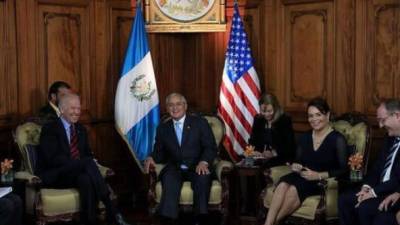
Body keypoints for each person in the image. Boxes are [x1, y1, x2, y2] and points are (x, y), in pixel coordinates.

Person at [38, 93, 131, 225]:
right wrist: (79, 164)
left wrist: (82, 164)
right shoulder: (50, 129)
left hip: (77, 174)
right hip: (56, 174)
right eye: (73, 108)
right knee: (86, 163)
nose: (77, 112)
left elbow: (87, 154)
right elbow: (52, 159)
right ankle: (110, 207)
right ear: (62, 109)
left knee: (86, 179)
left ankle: (89, 221)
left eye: (78, 109)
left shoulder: (80, 129)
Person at [264, 97, 348, 225]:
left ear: (328, 115)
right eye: (310, 116)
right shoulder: (305, 137)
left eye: (318, 115)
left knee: (293, 189)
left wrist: (319, 175)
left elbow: (344, 170)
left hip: (319, 182)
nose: (314, 119)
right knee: (282, 185)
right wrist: (296, 166)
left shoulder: (337, 139)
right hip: (301, 175)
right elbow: (298, 160)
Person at [144, 93, 217, 225]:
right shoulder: (163, 128)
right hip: (175, 167)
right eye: (171, 105)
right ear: (167, 108)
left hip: (197, 165)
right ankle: (168, 219)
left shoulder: (200, 123)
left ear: (185, 106)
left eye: (178, 104)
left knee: (202, 178)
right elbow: (159, 152)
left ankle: (199, 219)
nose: (174, 108)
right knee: (169, 179)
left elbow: (210, 147)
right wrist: (151, 157)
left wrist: (203, 162)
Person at [338, 99, 400, 225]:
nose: (381, 126)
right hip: (378, 188)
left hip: (393, 191)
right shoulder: (389, 137)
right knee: (344, 199)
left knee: (365, 207)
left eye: (383, 120)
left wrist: (373, 193)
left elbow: (398, 179)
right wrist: (366, 187)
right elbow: (377, 167)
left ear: (397, 115)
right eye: (379, 121)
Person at [248, 93, 296, 166]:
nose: (266, 114)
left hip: (280, 159)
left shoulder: (284, 120)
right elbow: (252, 141)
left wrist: (274, 153)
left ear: (276, 108)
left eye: (269, 111)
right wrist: (251, 152)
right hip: (260, 158)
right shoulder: (258, 119)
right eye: (263, 111)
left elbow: (290, 146)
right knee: (247, 164)